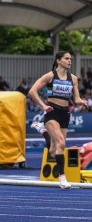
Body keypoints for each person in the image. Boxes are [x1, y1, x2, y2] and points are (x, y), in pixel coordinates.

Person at [29, 51, 87, 189]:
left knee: (55, 150)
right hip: (52, 112)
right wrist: (43, 105)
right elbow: (32, 91)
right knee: (61, 142)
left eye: (70, 59)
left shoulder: (73, 78)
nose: (69, 61)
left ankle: (43, 131)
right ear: (58, 60)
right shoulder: (50, 76)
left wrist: (82, 102)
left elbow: (76, 98)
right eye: (66, 59)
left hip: (65, 114)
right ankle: (63, 178)